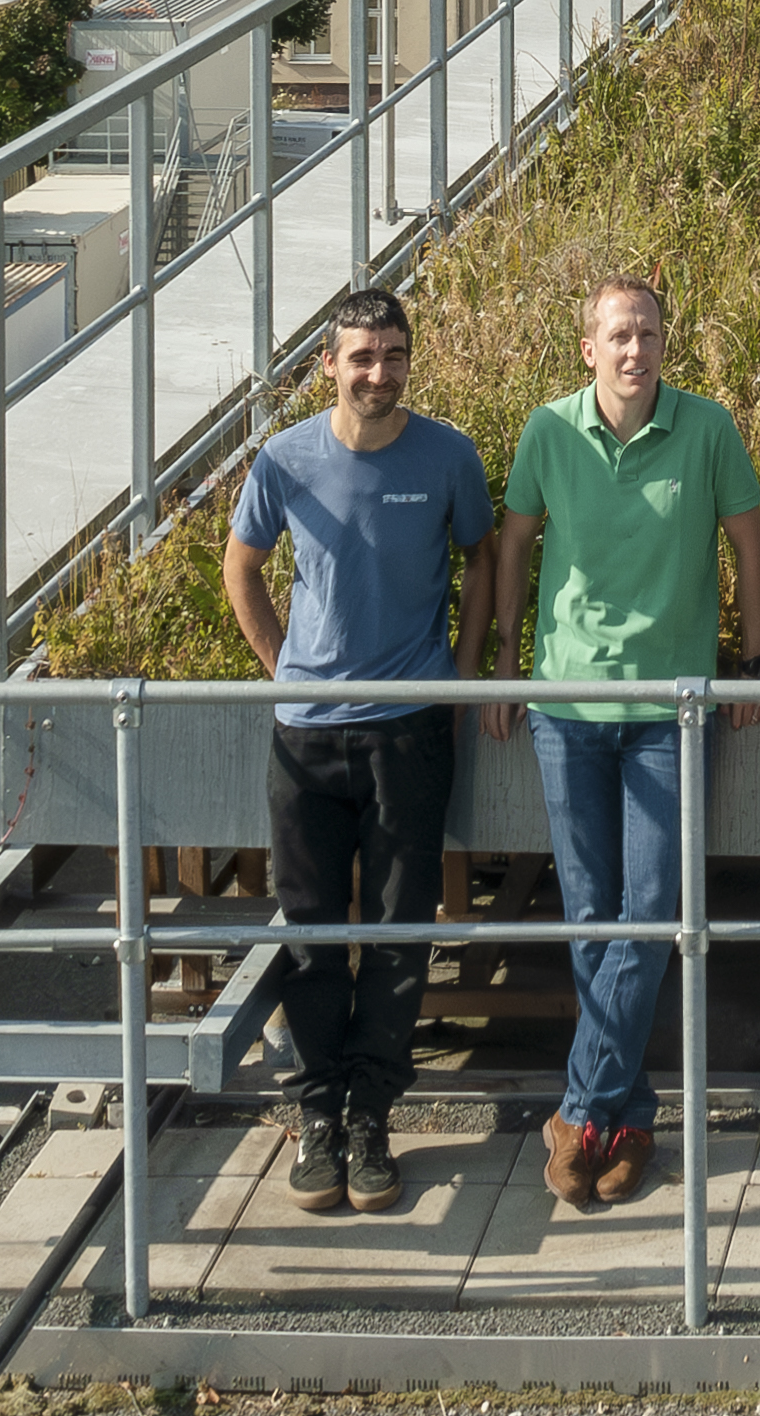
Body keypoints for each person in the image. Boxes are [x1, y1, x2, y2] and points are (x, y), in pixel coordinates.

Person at [480, 274, 760, 1215]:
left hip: (670, 710)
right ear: (589, 348)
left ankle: (577, 1112)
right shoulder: (547, 431)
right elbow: (514, 548)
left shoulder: (708, 427)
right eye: (618, 335)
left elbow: (751, 548)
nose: (635, 349)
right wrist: (503, 669)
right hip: (567, 708)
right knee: (594, 912)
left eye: (648, 332)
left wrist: (756, 663)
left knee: (650, 911)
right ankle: (628, 1119)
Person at [219, 284, 494, 1217]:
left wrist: (458, 675)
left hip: (409, 731)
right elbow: (241, 568)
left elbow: (483, 561)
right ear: (327, 365)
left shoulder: (448, 454)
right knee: (309, 935)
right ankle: (316, 1116)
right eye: (361, 357)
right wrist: (280, 673)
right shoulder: (284, 459)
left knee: (397, 932)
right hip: (306, 737)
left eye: (394, 355)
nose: (379, 373)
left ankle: (373, 1116)